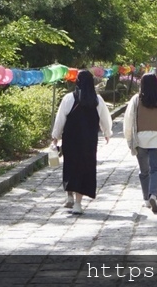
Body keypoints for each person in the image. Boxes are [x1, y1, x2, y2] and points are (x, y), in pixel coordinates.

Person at [51, 69, 113, 214]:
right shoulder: (97, 100)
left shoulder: (68, 98)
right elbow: (105, 119)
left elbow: (60, 120)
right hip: (89, 141)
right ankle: (78, 204)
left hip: (71, 140)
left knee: (71, 167)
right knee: (85, 169)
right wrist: (107, 133)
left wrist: (55, 138)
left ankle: (69, 196)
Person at [123, 72, 157, 214]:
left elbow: (128, 120)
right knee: (156, 170)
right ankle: (153, 195)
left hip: (141, 139)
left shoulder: (136, 99)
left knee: (144, 171)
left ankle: (146, 199)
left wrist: (129, 139)